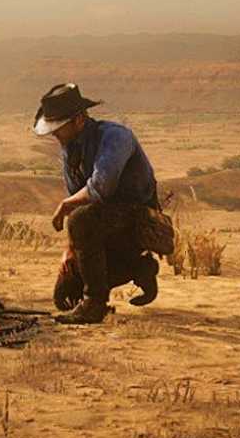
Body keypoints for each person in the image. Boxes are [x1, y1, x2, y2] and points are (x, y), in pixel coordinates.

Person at [34, 83, 163, 325]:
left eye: (59, 128)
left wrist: (65, 207)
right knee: (66, 297)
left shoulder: (116, 137)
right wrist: (70, 252)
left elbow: (100, 187)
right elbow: (79, 201)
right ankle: (139, 268)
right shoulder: (70, 150)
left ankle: (95, 304)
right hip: (101, 222)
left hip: (137, 218)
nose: (55, 134)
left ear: (79, 120)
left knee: (81, 219)